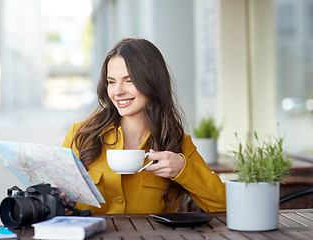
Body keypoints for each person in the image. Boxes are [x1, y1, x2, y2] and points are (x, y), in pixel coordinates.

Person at [62, 38, 226, 214]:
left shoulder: (176, 143)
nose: (117, 91)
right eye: (111, 82)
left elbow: (223, 204)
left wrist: (183, 169)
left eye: (129, 80)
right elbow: (60, 210)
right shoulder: (82, 135)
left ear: (152, 82)